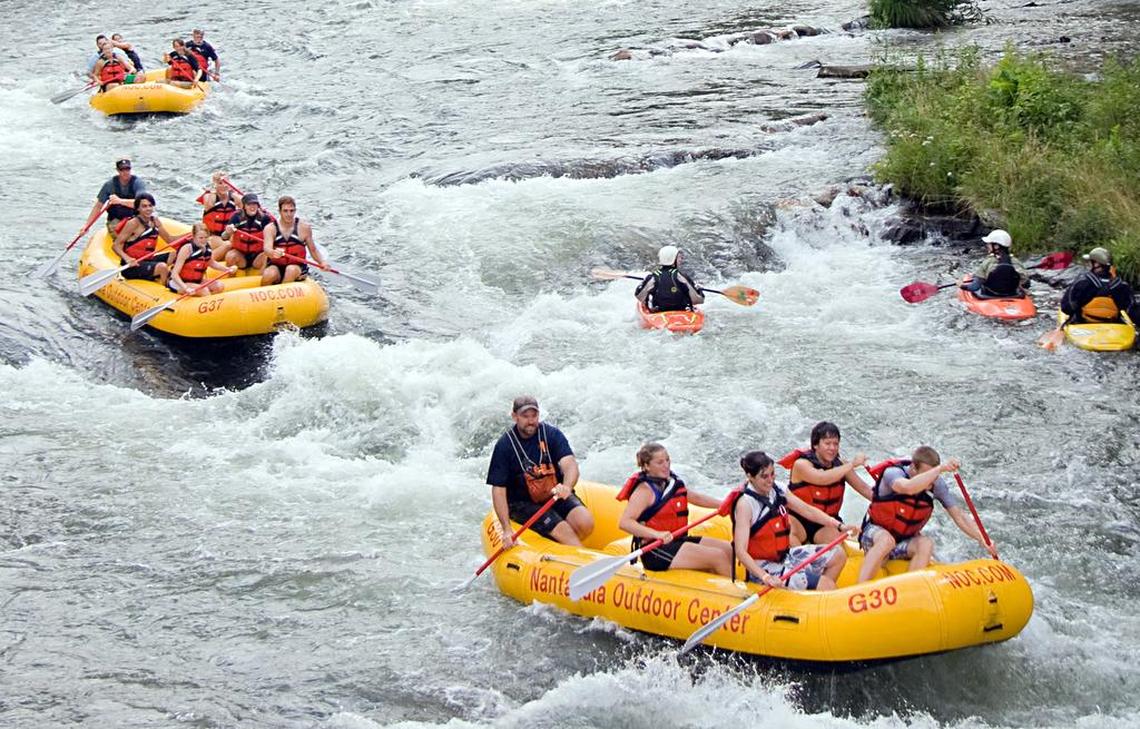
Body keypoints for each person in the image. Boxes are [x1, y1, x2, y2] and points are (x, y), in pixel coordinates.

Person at [856, 446, 993, 584]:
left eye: (934, 475)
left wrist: (981, 538)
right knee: (887, 541)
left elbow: (959, 515)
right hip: (875, 536)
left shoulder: (937, 484)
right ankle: (859, 590)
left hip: (902, 541)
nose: (931, 480)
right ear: (913, 468)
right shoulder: (893, 473)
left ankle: (909, 591)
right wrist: (938, 470)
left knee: (926, 544)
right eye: (928, 474)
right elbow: (907, 487)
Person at [732, 451, 858, 590]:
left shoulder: (778, 489)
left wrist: (839, 526)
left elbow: (807, 510)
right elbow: (740, 551)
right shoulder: (746, 505)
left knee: (837, 555)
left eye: (772, 474)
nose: (770, 480)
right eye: (764, 476)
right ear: (750, 477)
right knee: (826, 584)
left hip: (785, 556)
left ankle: (812, 598)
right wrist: (765, 577)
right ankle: (819, 590)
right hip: (763, 566)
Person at [486, 396, 594, 547]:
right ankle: (579, 557)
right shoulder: (505, 446)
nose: (530, 421)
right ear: (514, 416)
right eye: (525, 416)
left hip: (554, 494)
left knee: (585, 521)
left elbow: (570, 465)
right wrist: (506, 529)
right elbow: (498, 490)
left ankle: (558, 547)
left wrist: (567, 487)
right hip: (523, 503)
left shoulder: (552, 434)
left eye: (534, 416)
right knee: (565, 532)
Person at [617, 442, 733, 576]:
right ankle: (735, 593)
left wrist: (725, 505)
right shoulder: (644, 491)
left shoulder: (670, 481)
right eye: (660, 462)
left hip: (676, 540)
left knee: (728, 549)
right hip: (655, 549)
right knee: (717, 556)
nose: (666, 465)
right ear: (646, 466)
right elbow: (625, 523)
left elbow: (696, 497)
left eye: (667, 460)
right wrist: (656, 534)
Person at [786, 421, 872, 546]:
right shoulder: (801, 465)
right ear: (816, 445)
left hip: (826, 522)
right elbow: (822, 478)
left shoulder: (841, 466)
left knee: (834, 544)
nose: (832, 448)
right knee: (787, 532)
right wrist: (852, 464)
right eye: (827, 443)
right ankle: (796, 558)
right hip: (798, 519)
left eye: (835, 444)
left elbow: (864, 489)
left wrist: (890, 498)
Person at [111, 193, 181, 286]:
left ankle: (174, 278)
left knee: (176, 254)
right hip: (132, 266)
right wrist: (127, 259)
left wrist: (192, 234)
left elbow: (170, 240)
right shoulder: (133, 223)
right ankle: (165, 288)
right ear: (138, 209)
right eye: (144, 206)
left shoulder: (154, 221)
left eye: (150, 206)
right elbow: (116, 245)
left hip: (148, 260)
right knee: (162, 267)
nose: (148, 209)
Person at [1060, 247, 1139, 325]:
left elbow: (1066, 307)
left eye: (1090, 262)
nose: (1088, 264)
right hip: (1112, 325)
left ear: (1096, 264)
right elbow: (1133, 312)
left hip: (1083, 323)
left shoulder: (1082, 282)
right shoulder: (1121, 286)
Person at [263, 196, 328, 285]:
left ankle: (284, 293)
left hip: (297, 267)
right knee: (268, 274)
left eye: (291, 211)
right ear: (279, 211)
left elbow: (313, 250)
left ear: (295, 211)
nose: (289, 214)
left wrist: (322, 262)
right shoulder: (270, 228)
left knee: (291, 270)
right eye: (285, 211)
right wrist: (273, 253)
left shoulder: (304, 227)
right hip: (277, 266)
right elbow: (267, 249)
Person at [958, 229, 1030, 298]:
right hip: (1012, 295)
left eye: (989, 244)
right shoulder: (1016, 262)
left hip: (990, 296)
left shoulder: (988, 262)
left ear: (996, 246)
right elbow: (1026, 283)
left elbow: (974, 287)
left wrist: (961, 285)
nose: (987, 246)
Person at [83, 159, 147, 234]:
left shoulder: (138, 183)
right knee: (124, 235)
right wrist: (87, 226)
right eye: (122, 170)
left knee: (142, 231)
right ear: (117, 170)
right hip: (115, 221)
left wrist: (119, 201)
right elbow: (98, 206)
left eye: (127, 169)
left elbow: (141, 203)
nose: (125, 172)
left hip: (134, 218)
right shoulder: (109, 185)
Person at [169, 223, 235, 294]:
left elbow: (211, 263)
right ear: (194, 237)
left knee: (219, 286)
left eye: (206, 237)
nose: (204, 240)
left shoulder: (206, 247)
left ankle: (205, 301)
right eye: (200, 238)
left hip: (196, 281)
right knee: (204, 291)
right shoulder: (187, 249)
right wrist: (186, 288)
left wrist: (227, 269)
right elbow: (174, 274)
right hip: (179, 283)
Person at [634, 245, 705, 312]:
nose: (681, 260)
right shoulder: (682, 277)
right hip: (682, 312)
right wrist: (699, 289)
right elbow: (697, 300)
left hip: (658, 313)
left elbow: (640, 297)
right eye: (679, 257)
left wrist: (644, 284)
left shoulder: (652, 277)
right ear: (673, 259)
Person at [218, 193, 273, 273]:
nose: (252, 207)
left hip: (258, 256)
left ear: (258, 206)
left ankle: (261, 278)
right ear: (244, 206)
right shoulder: (237, 217)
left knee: (269, 254)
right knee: (230, 256)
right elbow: (224, 237)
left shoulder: (265, 218)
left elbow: (274, 236)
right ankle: (231, 277)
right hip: (241, 255)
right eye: (249, 204)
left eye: (255, 204)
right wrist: (228, 232)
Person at [201, 173, 238, 238]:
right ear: (215, 185)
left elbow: (246, 209)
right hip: (211, 236)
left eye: (226, 183)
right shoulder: (208, 197)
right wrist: (213, 190)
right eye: (220, 183)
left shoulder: (234, 197)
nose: (224, 186)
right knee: (228, 245)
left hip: (228, 235)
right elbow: (209, 204)